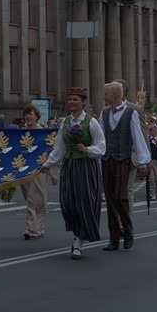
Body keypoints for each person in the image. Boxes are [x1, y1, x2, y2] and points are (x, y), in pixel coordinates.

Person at [41, 87, 105, 260]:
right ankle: (77, 234)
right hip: (69, 166)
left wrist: (87, 149)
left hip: (86, 166)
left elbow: (101, 147)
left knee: (83, 203)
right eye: (70, 99)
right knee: (68, 202)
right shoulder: (66, 122)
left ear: (83, 102)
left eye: (75, 99)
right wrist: (47, 164)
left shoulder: (91, 122)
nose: (71, 102)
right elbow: (59, 147)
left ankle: (78, 240)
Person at [99, 81, 150, 251]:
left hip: (123, 159)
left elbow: (138, 137)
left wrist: (143, 161)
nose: (103, 96)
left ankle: (128, 231)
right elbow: (100, 138)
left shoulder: (131, 112)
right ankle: (114, 237)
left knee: (121, 197)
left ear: (115, 95)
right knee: (110, 200)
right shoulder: (104, 113)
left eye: (106, 94)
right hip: (107, 160)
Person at [20, 103, 55, 239]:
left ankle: (31, 228)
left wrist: (53, 174)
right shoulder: (21, 133)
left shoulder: (42, 133)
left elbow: (50, 154)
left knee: (36, 200)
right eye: (26, 114)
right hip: (24, 171)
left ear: (36, 117)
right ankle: (36, 227)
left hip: (40, 170)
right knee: (30, 198)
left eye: (30, 114)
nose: (28, 116)